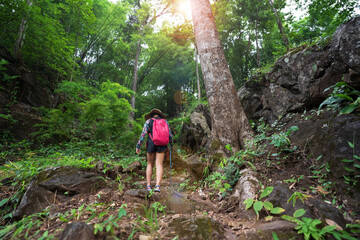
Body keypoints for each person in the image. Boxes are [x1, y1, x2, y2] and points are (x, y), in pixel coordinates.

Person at [136, 108, 172, 193]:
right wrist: (171, 143)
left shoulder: (148, 121)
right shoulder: (165, 122)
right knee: (159, 164)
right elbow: (169, 134)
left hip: (151, 143)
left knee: (149, 164)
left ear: (152, 114)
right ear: (160, 115)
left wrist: (138, 145)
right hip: (162, 144)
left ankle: (148, 186)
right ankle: (157, 186)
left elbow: (143, 134)